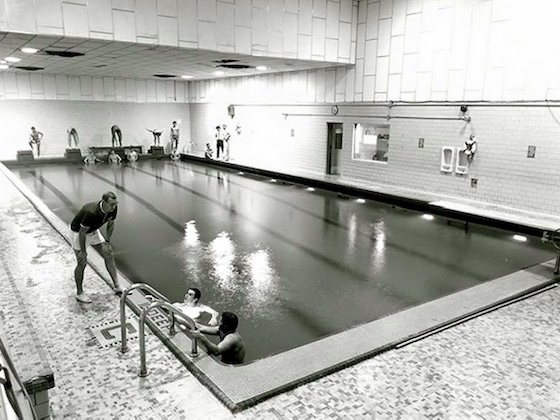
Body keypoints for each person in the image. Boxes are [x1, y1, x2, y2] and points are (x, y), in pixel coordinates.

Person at [69, 191, 122, 303]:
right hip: (78, 233)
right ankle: (79, 293)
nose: (114, 207)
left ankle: (117, 286)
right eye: (111, 204)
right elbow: (82, 233)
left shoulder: (113, 208)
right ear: (104, 202)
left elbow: (111, 224)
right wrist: (83, 251)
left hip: (93, 231)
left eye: (115, 204)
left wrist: (107, 241)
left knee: (109, 254)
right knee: (82, 262)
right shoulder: (91, 212)